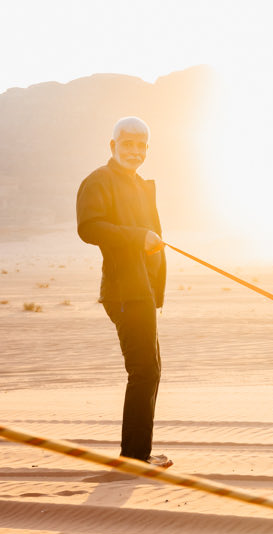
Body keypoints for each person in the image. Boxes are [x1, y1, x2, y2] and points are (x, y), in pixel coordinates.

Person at [76, 116, 172, 469]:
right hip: (124, 291)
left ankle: (139, 453)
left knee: (152, 369)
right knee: (144, 370)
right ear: (113, 146)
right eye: (127, 144)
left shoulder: (138, 185)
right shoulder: (99, 181)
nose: (134, 151)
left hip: (142, 291)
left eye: (141, 145)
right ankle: (134, 457)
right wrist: (137, 237)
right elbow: (89, 227)